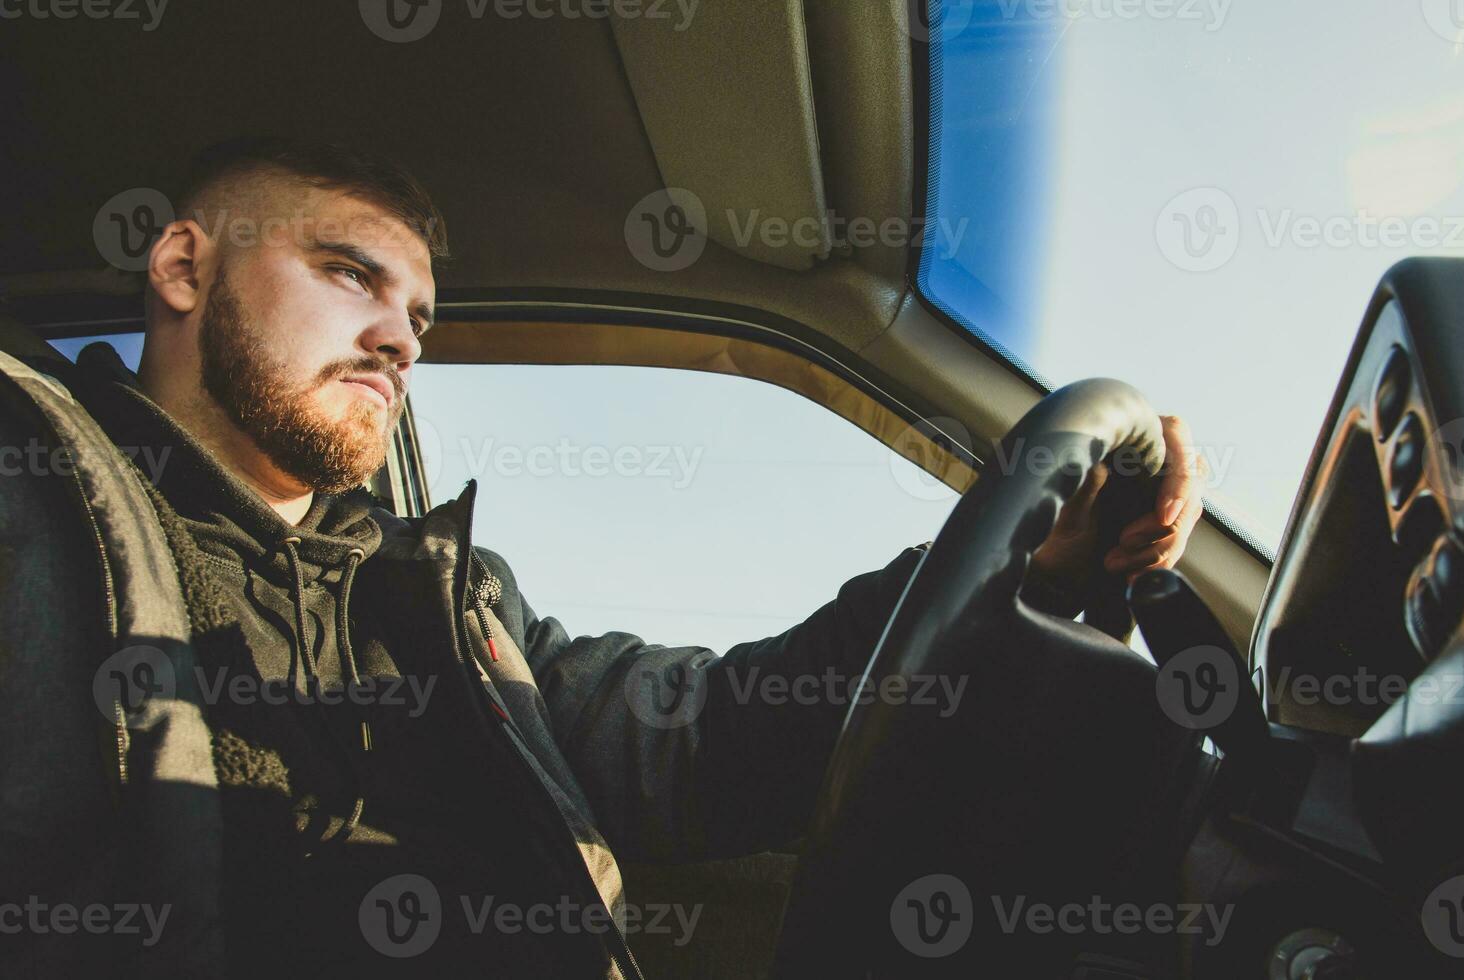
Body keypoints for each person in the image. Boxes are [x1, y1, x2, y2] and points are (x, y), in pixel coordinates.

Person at [0, 138, 1204, 978]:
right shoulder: (37, 508)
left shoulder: (445, 598)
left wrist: (1027, 569)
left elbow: (704, 736)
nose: (396, 340)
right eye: (346, 274)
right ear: (181, 267)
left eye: (418, 316)